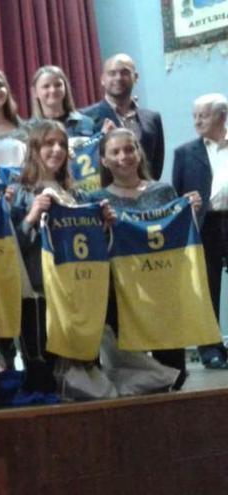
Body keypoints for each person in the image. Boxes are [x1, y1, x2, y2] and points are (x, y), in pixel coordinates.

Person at [10, 120, 115, 400]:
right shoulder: (18, 191)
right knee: (43, 380)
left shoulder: (78, 194)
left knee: (81, 375)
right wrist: (32, 216)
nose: (56, 150)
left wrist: (103, 226)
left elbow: (93, 245)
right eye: (49, 144)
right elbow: (11, 246)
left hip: (75, 292)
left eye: (62, 145)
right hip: (38, 292)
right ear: (34, 148)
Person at [91, 128, 201, 385]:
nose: (124, 156)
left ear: (139, 153)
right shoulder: (96, 200)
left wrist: (190, 212)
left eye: (129, 149)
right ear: (104, 160)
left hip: (161, 290)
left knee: (174, 372)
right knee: (134, 372)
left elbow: (179, 237)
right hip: (121, 294)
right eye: (115, 151)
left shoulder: (163, 192)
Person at [172, 93, 228, 369]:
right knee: (207, 289)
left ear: (222, 115)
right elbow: (177, 197)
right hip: (205, 227)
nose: (197, 121)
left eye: (203, 115)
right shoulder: (184, 153)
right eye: (194, 116)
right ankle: (211, 349)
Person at [81, 54, 165, 180]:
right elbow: (81, 162)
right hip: (105, 196)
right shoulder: (85, 118)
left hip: (147, 194)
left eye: (125, 72)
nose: (118, 78)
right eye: (112, 73)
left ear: (135, 77)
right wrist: (101, 138)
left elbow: (156, 167)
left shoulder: (153, 118)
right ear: (103, 79)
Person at [29, 65, 95, 138]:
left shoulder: (86, 123)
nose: (53, 90)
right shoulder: (28, 130)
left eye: (58, 85)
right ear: (35, 92)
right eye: (46, 86)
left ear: (65, 88)